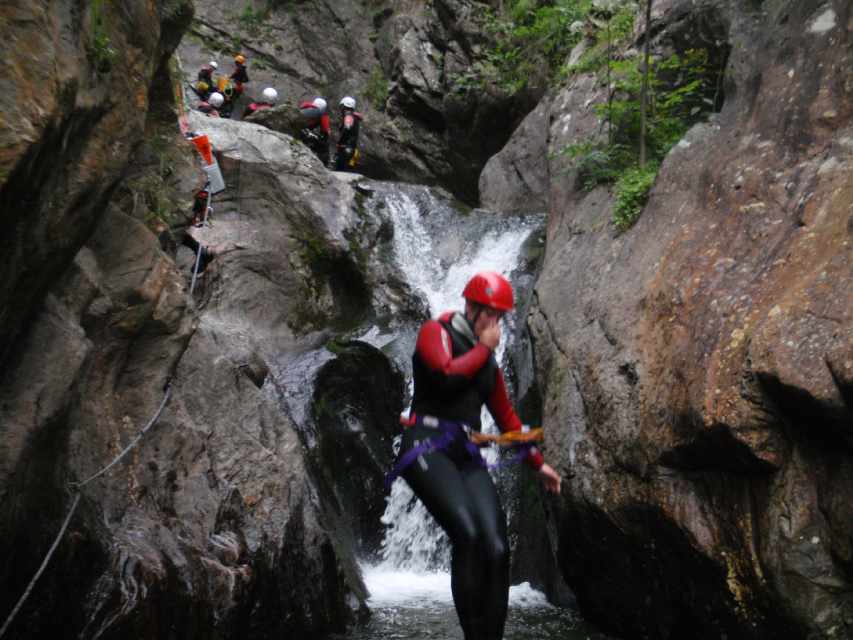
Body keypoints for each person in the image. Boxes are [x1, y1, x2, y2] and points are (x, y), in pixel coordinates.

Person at [393, 271, 561, 640]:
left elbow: (509, 421)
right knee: (467, 534)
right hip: (425, 444)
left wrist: (539, 465)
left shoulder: (489, 367)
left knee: (498, 548)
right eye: (490, 314)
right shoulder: (435, 332)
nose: (494, 324)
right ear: (470, 307)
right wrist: (484, 348)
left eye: (500, 317)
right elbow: (444, 374)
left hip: (465, 453)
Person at [298, 97, 331, 166]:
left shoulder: (303, 108)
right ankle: (323, 164)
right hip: (305, 132)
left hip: (298, 130)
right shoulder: (322, 114)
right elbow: (325, 131)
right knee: (323, 146)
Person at [334, 96, 362, 171]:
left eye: (342, 107)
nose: (341, 109)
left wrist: (340, 141)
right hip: (351, 147)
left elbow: (347, 128)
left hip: (345, 148)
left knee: (340, 169)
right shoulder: (354, 117)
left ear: (344, 106)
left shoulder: (349, 116)